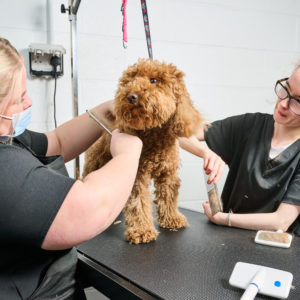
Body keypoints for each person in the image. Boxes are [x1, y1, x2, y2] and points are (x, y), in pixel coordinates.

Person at [0, 37, 142, 299]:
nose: (29, 102)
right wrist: (127, 155)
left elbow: (57, 142)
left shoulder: (9, 136)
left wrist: (105, 113)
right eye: (19, 99)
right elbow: (89, 208)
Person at [180, 67, 300, 236]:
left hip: (276, 250)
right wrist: (206, 153)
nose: (283, 103)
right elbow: (179, 133)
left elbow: (281, 221)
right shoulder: (249, 126)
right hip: (228, 241)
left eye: (297, 101)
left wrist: (223, 219)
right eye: (286, 89)